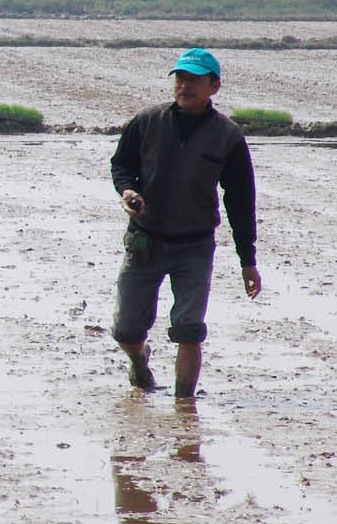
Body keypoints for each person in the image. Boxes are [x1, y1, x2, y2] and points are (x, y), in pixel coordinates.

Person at [111, 47, 261, 398]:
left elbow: (240, 200)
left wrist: (247, 260)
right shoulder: (148, 121)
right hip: (145, 240)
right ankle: (138, 359)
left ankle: (184, 405)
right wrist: (128, 191)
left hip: (194, 246)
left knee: (189, 329)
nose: (184, 86)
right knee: (127, 330)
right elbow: (122, 164)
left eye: (194, 80)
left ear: (214, 87)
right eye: (180, 78)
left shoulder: (228, 137)